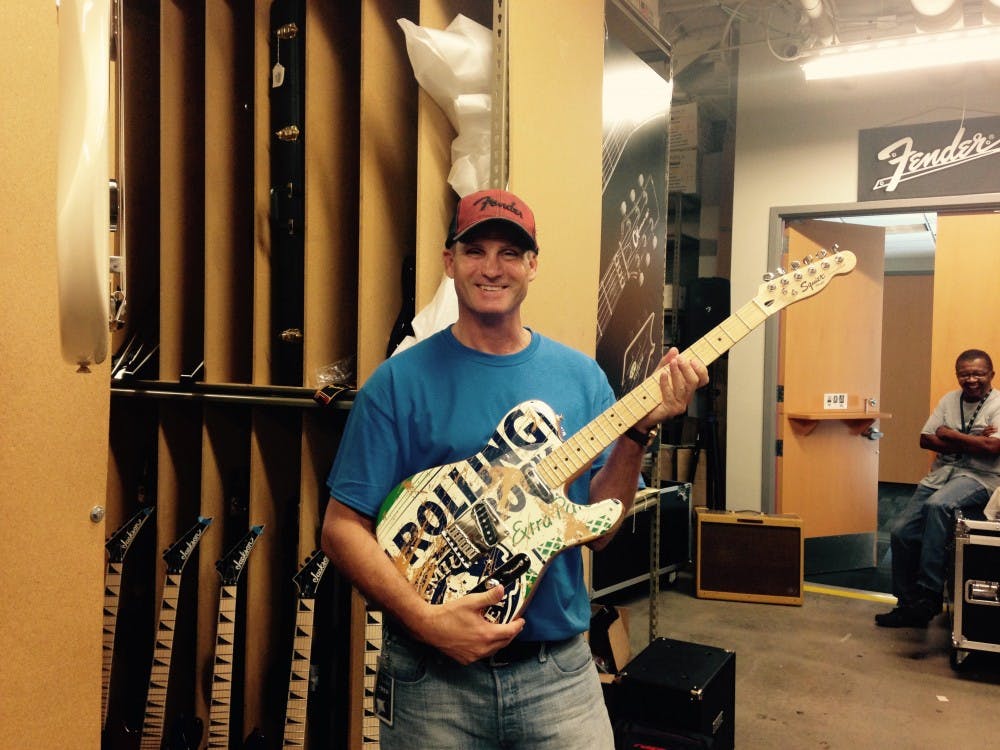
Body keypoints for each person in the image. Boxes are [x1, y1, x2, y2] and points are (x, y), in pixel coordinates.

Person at [321, 188, 707, 748]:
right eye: (475, 250)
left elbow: (605, 531)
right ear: (449, 262)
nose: (492, 268)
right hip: (432, 681)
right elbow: (340, 528)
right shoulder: (398, 382)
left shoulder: (580, 378)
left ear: (532, 265)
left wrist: (637, 434)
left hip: (558, 675)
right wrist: (425, 620)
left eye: (510, 252)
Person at [875, 349, 1000, 628]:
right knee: (901, 532)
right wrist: (974, 440)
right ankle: (908, 606)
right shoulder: (948, 400)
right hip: (940, 475)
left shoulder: (999, 403)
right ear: (957, 375)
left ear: (991, 374)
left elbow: (993, 448)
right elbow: (925, 439)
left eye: (978, 373)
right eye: (964, 373)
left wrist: (950, 434)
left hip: (980, 477)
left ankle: (929, 594)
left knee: (939, 506)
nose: (971, 379)